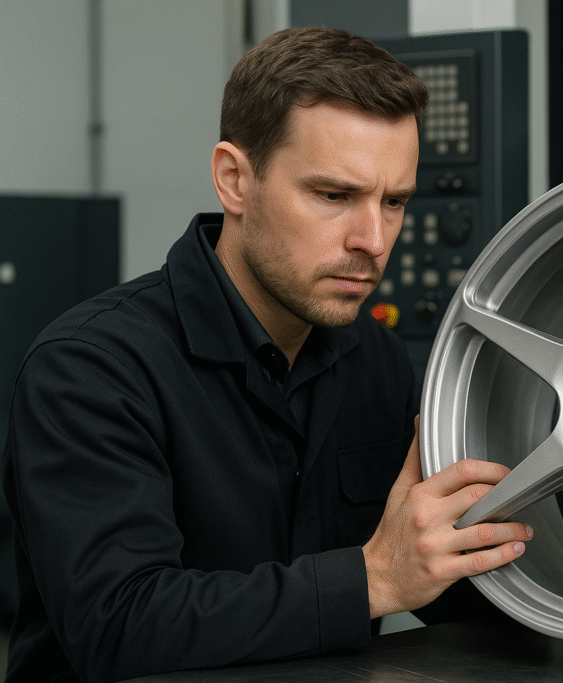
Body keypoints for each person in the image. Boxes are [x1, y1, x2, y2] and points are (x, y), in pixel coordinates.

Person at [1, 27, 532, 683]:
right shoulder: (90, 370)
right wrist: (371, 578)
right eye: (334, 195)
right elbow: (118, 624)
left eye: (394, 201)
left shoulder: (377, 361)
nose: (373, 239)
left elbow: (433, 577)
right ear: (234, 181)